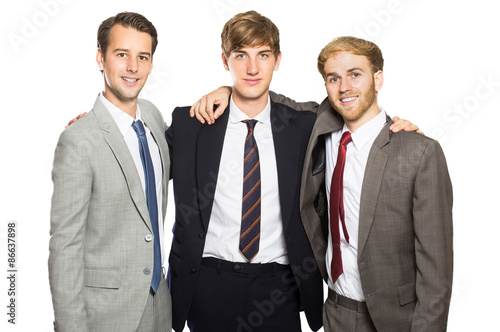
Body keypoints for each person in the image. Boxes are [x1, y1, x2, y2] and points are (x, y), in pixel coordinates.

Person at [279, 36, 453, 331]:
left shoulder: (419, 152)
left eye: (355, 75)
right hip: (334, 310)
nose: (344, 87)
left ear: (378, 78)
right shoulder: (320, 131)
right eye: (334, 78)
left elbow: (436, 270)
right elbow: (266, 99)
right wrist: (224, 90)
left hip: (395, 319)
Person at [166, 11, 324, 332]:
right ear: (226, 61)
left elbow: (352, 112)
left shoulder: (303, 126)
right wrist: (105, 126)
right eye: (241, 56)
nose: (252, 68)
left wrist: (397, 127)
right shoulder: (191, 124)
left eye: (262, 55)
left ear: (277, 60)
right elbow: (144, 159)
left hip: (280, 286)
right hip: (208, 283)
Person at [48, 12, 171, 332]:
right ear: (101, 58)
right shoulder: (78, 140)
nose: (133, 67)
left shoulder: (155, 120)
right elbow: (65, 247)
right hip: (107, 314)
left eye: (142, 57)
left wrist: (225, 93)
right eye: (122, 55)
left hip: (160, 305)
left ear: (151, 64)